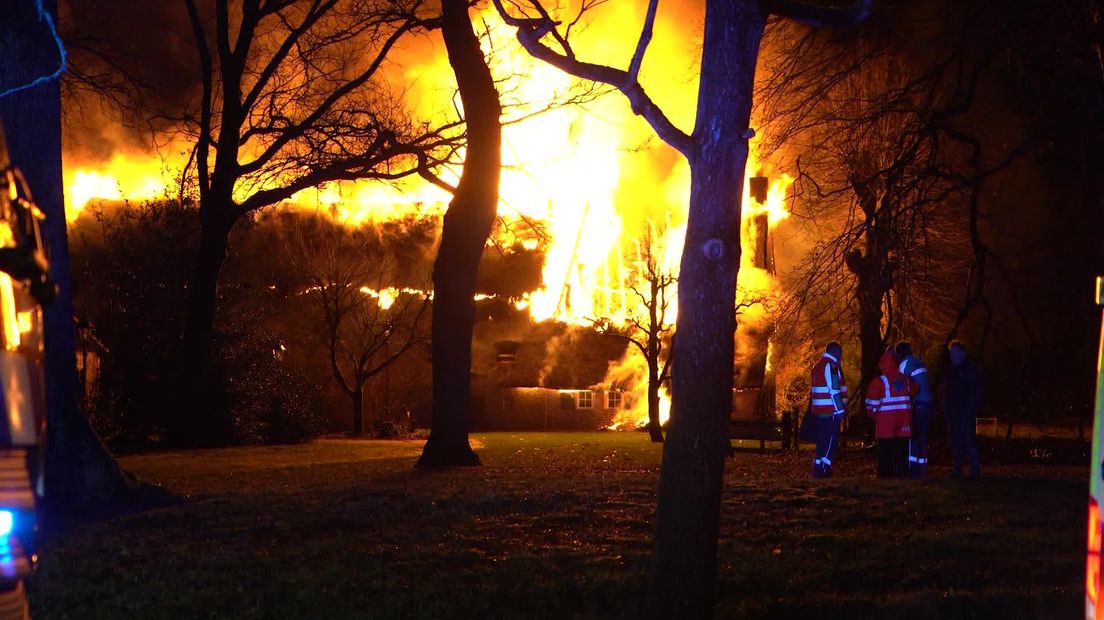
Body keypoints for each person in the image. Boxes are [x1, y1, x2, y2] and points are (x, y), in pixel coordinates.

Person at [865, 348, 913, 478]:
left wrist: (875, 416)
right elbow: (914, 390)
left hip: (885, 425)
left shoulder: (879, 382)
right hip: (904, 423)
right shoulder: (905, 379)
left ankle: (885, 478)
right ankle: (902, 476)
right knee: (901, 454)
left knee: (885, 454)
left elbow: (871, 405)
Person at [943, 340, 982, 477]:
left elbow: (976, 391)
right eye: (951, 353)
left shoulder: (970, 370)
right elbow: (946, 392)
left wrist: (970, 409)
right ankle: (958, 468)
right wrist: (946, 408)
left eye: (955, 353)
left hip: (966, 412)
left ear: (962, 353)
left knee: (969, 440)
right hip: (953, 412)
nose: (953, 356)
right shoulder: (951, 372)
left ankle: (975, 469)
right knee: (956, 442)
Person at [809, 341, 848, 478]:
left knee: (822, 441)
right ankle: (824, 470)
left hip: (819, 412)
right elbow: (834, 391)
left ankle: (817, 470)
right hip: (830, 411)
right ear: (836, 352)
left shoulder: (818, 365)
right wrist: (840, 411)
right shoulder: (831, 366)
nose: (841, 355)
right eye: (840, 352)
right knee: (831, 441)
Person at [895, 341, 933, 478]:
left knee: (913, 438)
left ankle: (912, 472)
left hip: (918, 404)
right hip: (928, 403)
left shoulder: (904, 364)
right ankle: (922, 471)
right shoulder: (919, 362)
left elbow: (900, 385)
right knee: (922, 438)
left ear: (900, 354)